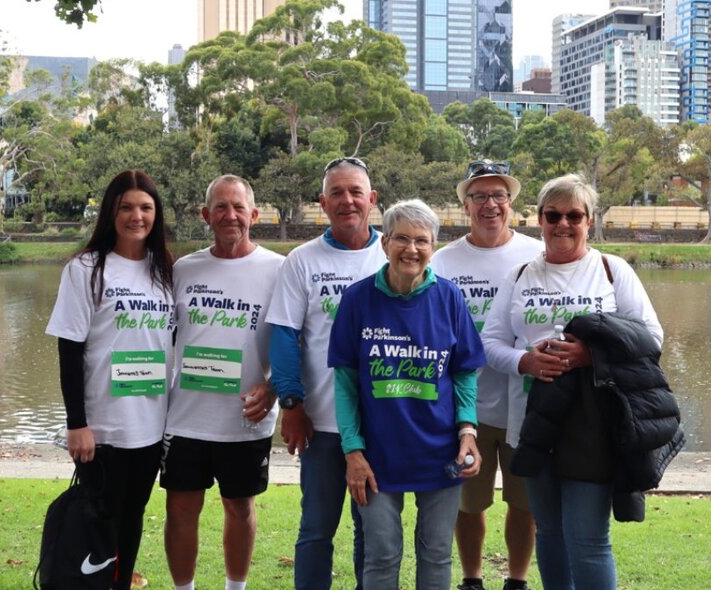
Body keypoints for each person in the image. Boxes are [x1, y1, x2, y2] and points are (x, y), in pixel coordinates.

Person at [481, 174, 664, 590]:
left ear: (589, 219)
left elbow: (652, 338)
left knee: (587, 540)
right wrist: (524, 361)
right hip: (532, 421)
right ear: (540, 219)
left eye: (574, 215)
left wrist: (589, 355)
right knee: (549, 531)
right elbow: (489, 343)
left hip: (593, 425)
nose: (563, 224)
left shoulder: (610, 270)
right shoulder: (520, 274)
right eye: (553, 215)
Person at [328, 198, 486, 590]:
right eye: (401, 238)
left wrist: (468, 431)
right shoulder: (357, 299)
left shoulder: (449, 298)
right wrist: (352, 450)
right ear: (385, 243)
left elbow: (465, 371)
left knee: (436, 553)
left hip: (442, 452)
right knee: (381, 555)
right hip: (377, 454)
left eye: (422, 241)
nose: (411, 249)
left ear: (433, 247)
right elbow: (345, 383)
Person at [45, 169, 175, 590]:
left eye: (145, 207)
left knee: (132, 520)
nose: (136, 216)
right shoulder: (87, 268)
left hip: (150, 428)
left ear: (156, 214)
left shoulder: (164, 271)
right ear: (110, 212)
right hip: (101, 430)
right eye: (126, 207)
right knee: (98, 524)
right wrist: (76, 424)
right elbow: (70, 351)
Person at [265, 157, 386, 590]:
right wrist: (292, 403)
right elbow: (284, 337)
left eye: (356, 192)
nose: (347, 200)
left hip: (381, 423)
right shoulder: (301, 261)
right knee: (316, 528)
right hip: (322, 422)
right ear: (322, 203)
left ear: (372, 200)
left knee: (372, 531)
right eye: (337, 192)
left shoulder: (396, 252)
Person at [161, 175, 283, 590]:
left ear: (254, 214)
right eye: (220, 207)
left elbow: (296, 341)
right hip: (186, 418)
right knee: (179, 509)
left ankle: (236, 588)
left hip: (245, 418)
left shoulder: (278, 270)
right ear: (205, 215)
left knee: (240, 507)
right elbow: (158, 337)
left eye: (238, 207)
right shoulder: (183, 269)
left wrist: (274, 388)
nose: (230, 215)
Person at [431, 161, 543, 590]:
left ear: (511, 203)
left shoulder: (534, 255)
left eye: (499, 196)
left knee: (525, 502)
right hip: (464, 410)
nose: (490, 205)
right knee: (468, 503)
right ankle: (472, 579)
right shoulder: (443, 260)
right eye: (480, 196)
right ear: (465, 205)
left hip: (523, 404)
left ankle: (516, 580)